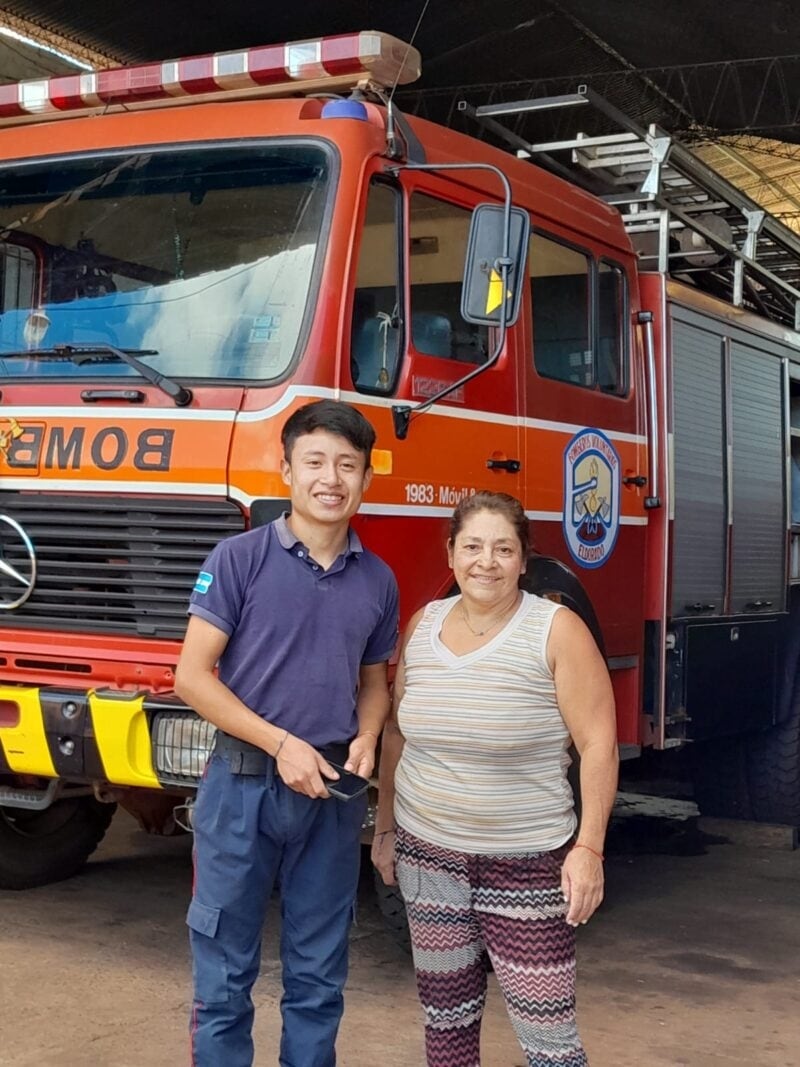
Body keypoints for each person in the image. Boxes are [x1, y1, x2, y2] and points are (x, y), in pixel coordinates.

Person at [176, 399, 399, 1067]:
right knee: (222, 980)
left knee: (318, 977)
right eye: (315, 462)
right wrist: (279, 743)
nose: (331, 478)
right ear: (286, 470)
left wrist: (366, 735)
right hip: (242, 789)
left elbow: (374, 682)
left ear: (364, 478)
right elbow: (192, 675)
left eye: (347, 465)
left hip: (332, 797)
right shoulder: (239, 557)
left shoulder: (377, 579)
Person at [372, 491, 618, 1067]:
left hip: (526, 862)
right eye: (474, 546)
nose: (487, 562)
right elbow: (395, 735)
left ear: (523, 559)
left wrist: (589, 849)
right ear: (451, 553)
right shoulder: (422, 625)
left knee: (550, 1042)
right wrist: (385, 828)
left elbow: (598, 744)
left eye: (503, 549)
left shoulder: (556, 631)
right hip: (427, 857)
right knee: (447, 1026)